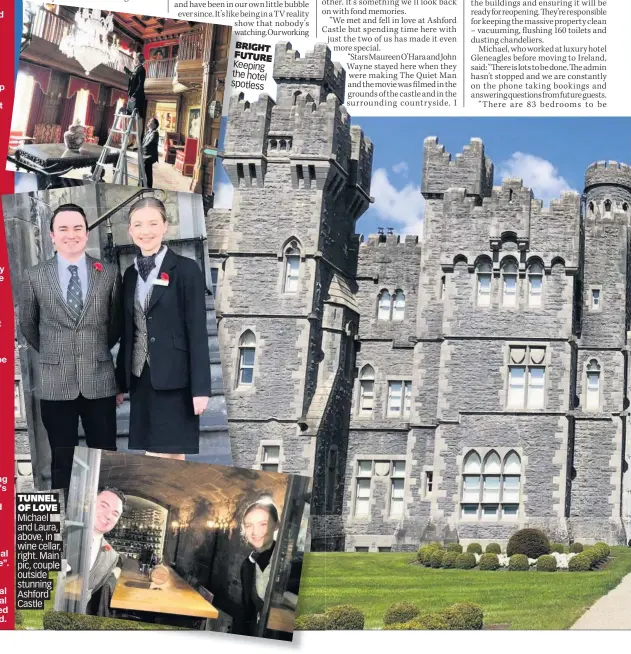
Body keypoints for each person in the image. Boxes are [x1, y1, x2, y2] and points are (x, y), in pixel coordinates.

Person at [19, 203, 122, 492]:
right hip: (56, 383)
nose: (71, 234)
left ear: (86, 233)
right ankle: (65, 522)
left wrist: (95, 351)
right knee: (62, 461)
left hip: (99, 381)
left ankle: (103, 517)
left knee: (105, 457)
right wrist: (55, 353)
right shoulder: (35, 276)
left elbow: (114, 326)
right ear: (52, 235)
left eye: (77, 228)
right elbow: (29, 325)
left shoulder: (109, 273)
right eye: (63, 229)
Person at [115, 197, 211, 459]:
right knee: (152, 454)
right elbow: (129, 330)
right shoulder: (130, 275)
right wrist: (120, 382)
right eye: (138, 225)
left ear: (165, 226)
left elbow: (198, 333)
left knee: (172, 456)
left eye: (152, 223)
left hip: (176, 379)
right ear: (130, 231)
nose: (146, 231)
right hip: (141, 377)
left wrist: (200, 389)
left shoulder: (186, 270)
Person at [234, 499, 280, 636]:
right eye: (249, 526)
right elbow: (246, 609)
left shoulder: (290, 562)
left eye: (263, 524)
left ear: (276, 525)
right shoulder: (246, 565)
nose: (255, 532)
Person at [85, 487, 125, 616]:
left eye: (115, 514)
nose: (108, 516)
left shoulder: (112, 557)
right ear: (89, 504)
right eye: (104, 506)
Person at [123, 51, 147, 136]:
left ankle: (136, 142)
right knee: (130, 117)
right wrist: (125, 69)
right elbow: (132, 76)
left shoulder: (142, 69)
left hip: (136, 98)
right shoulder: (136, 69)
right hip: (132, 97)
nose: (133, 60)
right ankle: (128, 140)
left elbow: (140, 84)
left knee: (137, 118)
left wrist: (134, 96)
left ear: (137, 60)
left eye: (135, 58)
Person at [142, 117, 160, 189]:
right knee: (143, 170)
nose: (148, 122)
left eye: (151, 121)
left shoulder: (155, 133)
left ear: (155, 125)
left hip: (150, 156)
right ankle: (142, 185)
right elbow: (143, 141)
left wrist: (141, 147)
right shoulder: (148, 131)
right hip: (145, 154)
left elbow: (149, 142)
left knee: (148, 172)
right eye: (149, 121)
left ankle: (149, 187)